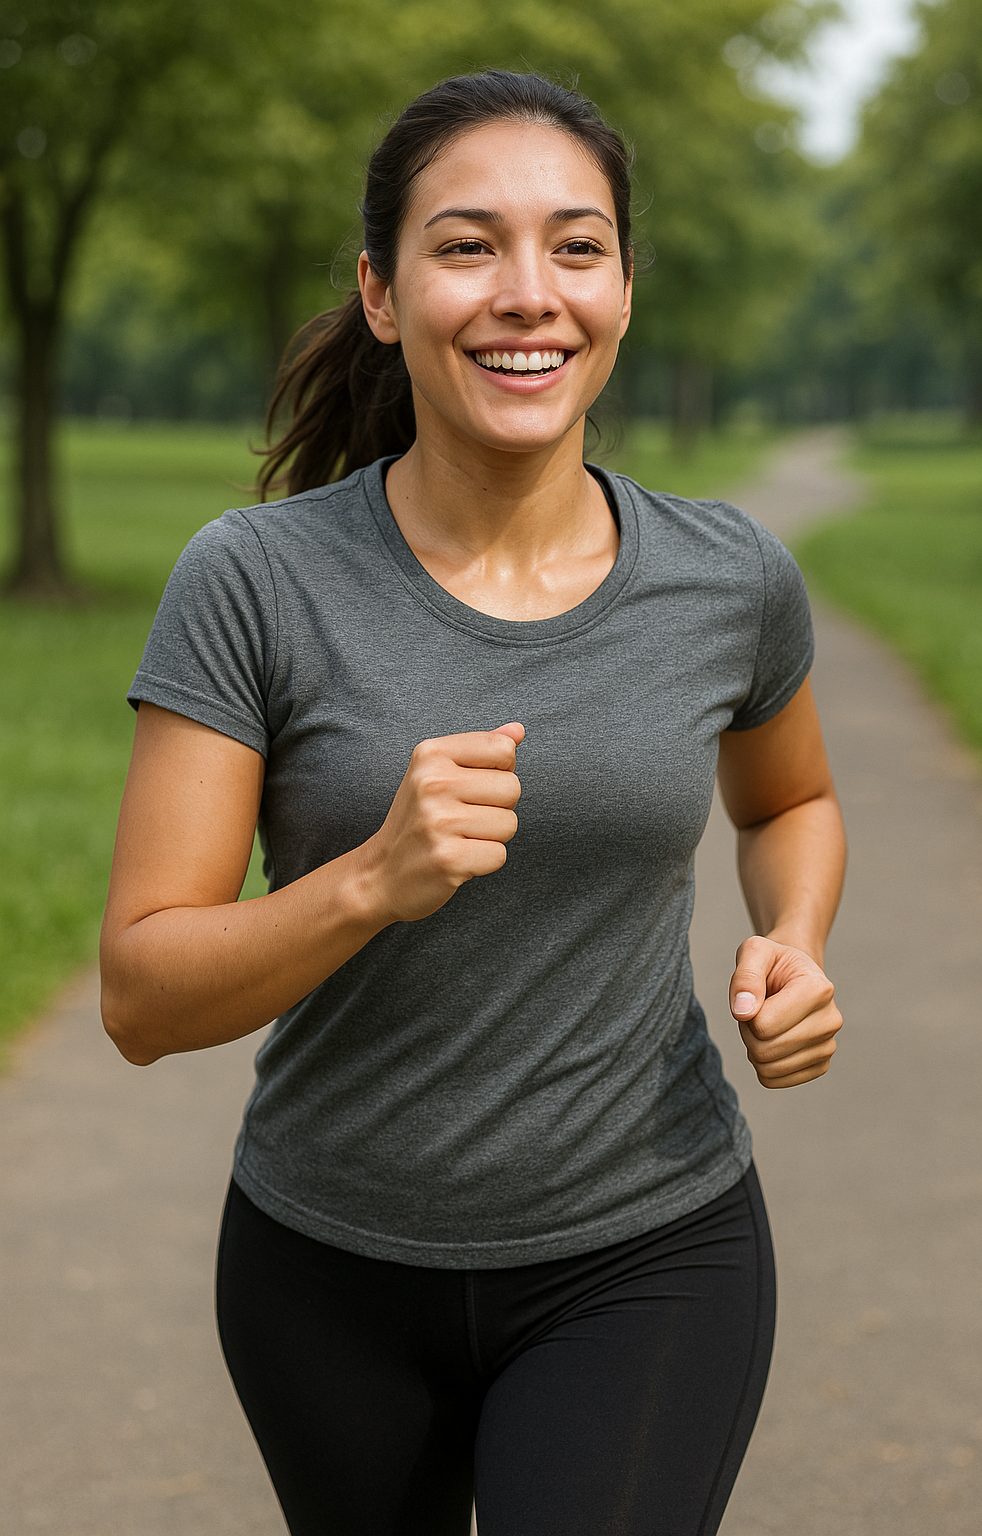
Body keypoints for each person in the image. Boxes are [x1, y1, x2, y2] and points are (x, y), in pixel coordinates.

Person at [100, 69, 845, 1536]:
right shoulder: (253, 583)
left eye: (575, 246)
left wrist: (798, 940)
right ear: (382, 295)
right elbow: (140, 993)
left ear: (625, 290)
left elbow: (791, 801)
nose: (527, 293)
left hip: (648, 1244)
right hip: (327, 1272)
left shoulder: (728, 577)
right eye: (466, 246)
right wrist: (369, 880)